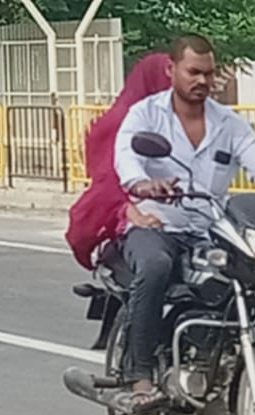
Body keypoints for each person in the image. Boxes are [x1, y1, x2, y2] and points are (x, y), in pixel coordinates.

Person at [111, 33, 255, 414]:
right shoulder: (146, 114)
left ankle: (227, 356)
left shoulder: (229, 123)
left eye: (208, 74)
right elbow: (126, 157)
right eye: (193, 72)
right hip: (157, 224)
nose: (202, 81)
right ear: (171, 69)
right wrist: (143, 184)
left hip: (209, 229)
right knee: (155, 266)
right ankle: (140, 376)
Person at [64, 53, 171, 270]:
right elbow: (111, 182)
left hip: (174, 212)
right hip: (135, 217)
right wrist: (138, 218)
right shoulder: (126, 121)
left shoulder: (170, 117)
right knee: (156, 267)